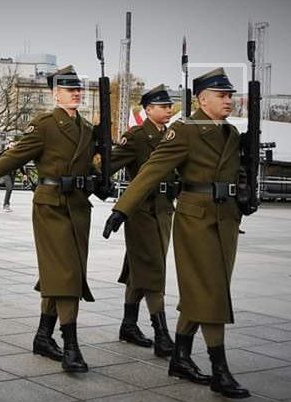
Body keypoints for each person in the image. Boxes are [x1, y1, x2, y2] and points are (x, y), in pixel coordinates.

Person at [103, 68, 251, 398]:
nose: (229, 100)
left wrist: (246, 194)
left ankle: (180, 358)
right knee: (211, 292)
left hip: (226, 220)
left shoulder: (229, 132)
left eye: (230, 95)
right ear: (202, 99)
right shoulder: (184, 130)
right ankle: (219, 370)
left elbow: (238, 174)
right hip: (196, 220)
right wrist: (121, 209)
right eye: (222, 95)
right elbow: (151, 171)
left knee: (208, 290)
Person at [0, 65, 96, 373]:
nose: (76, 93)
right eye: (70, 89)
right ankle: (71, 346)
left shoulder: (86, 128)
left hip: (79, 208)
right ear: (55, 93)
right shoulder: (44, 125)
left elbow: (92, 167)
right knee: (68, 276)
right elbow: (12, 158)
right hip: (52, 208)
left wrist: (100, 180)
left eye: (78, 88)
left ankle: (43, 337)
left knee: (60, 274)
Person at [110, 85, 176, 357]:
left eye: (169, 106)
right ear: (148, 110)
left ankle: (128, 324)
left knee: (140, 267)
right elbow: (110, 163)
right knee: (153, 269)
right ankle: (162, 334)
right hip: (141, 211)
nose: (168, 110)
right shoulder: (137, 136)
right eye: (163, 106)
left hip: (164, 209)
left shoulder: (172, 135)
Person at [0, 140, 28, 212]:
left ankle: (7, 203)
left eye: (14, 146)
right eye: (11, 145)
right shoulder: (5, 153)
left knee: (10, 189)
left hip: (13, 173)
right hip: (5, 173)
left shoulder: (17, 154)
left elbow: (20, 165)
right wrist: (5, 150)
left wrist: (24, 174)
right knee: (9, 187)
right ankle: (6, 205)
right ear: (8, 145)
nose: (12, 147)